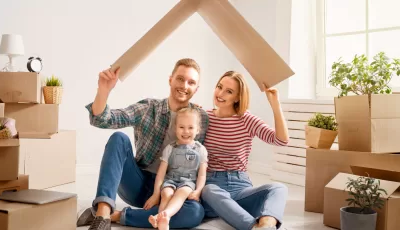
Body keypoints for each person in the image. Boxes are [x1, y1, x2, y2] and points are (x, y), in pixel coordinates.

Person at [77, 58, 209, 230]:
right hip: (139, 185)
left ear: (196, 89)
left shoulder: (202, 118)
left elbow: (222, 124)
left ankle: (116, 215)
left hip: (174, 190)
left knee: (195, 213)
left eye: (191, 82)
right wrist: (103, 90)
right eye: (180, 79)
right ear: (170, 79)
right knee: (119, 138)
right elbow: (102, 119)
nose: (184, 85)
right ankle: (102, 215)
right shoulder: (149, 108)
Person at [200, 71, 290, 230]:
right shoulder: (203, 117)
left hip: (240, 186)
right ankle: (252, 226)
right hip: (212, 187)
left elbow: (281, 140)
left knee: (279, 188)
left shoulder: (246, 119)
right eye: (219, 87)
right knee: (208, 190)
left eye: (229, 91)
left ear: (238, 97)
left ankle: (266, 226)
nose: (220, 94)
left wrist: (275, 104)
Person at [146, 107, 208, 230]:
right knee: (166, 194)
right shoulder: (170, 148)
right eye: (181, 127)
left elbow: (201, 175)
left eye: (190, 128)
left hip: (188, 182)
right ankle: (163, 222)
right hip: (171, 179)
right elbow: (161, 173)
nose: (186, 131)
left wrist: (198, 191)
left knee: (181, 193)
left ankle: (163, 216)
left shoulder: (200, 149)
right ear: (175, 128)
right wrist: (155, 193)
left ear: (198, 130)